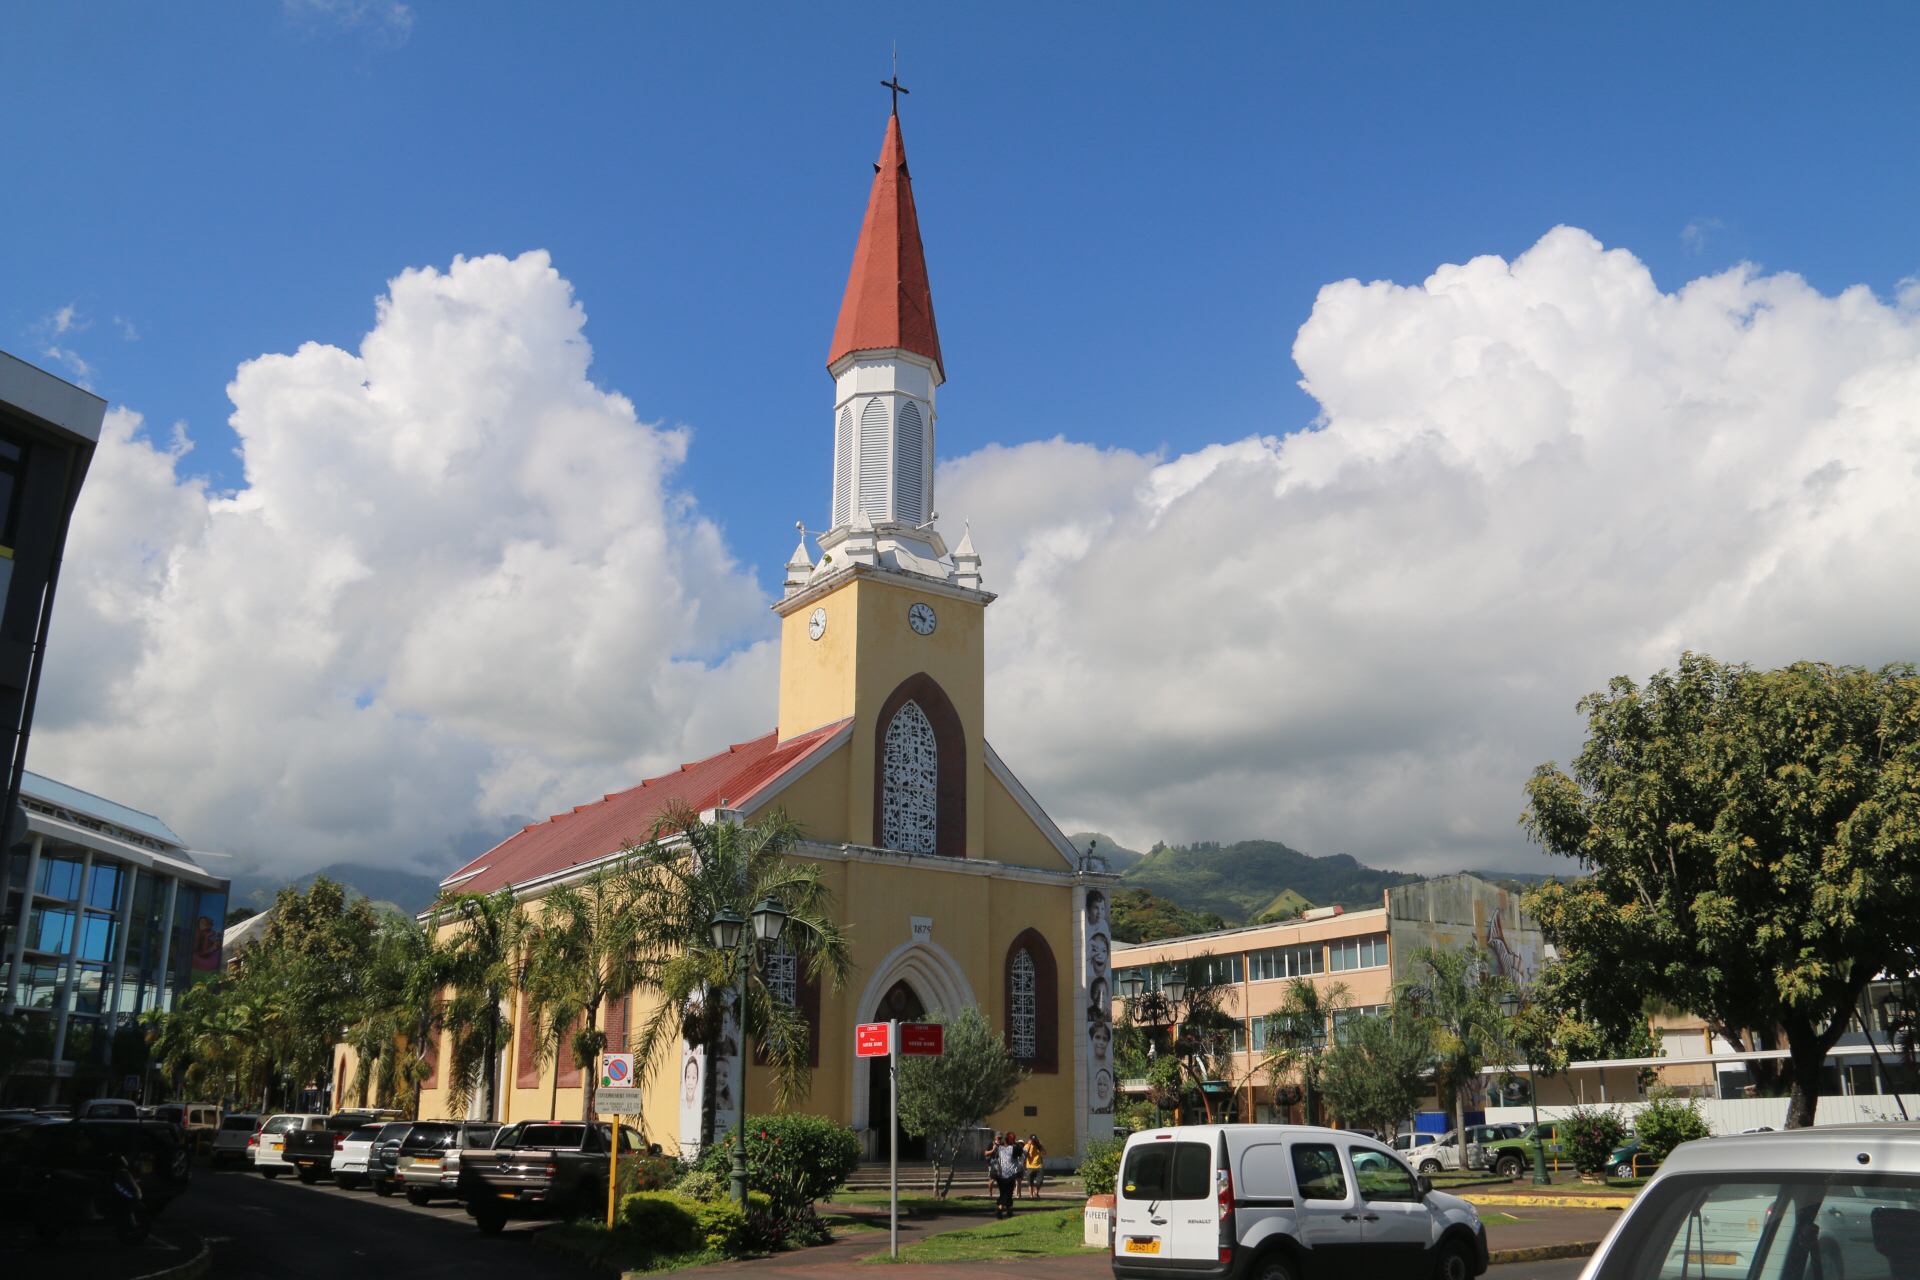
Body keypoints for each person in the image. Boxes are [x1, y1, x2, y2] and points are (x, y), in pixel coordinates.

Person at [988, 1131, 1024, 1218]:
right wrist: (1015, 1143)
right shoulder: (1014, 1149)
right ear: (1012, 1140)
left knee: (1005, 1192)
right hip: (1010, 1175)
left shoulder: (999, 1148)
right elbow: (1021, 1150)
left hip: (999, 1175)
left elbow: (993, 1156)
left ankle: (1008, 1211)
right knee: (1007, 1193)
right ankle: (999, 1210)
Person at [1024, 1134, 1046, 1199]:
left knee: (1040, 1181)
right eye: (1032, 1140)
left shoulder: (1038, 1146)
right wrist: (1029, 1145)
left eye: (1034, 1140)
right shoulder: (1027, 1146)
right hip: (1030, 1166)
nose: (1033, 1141)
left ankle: (1036, 1191)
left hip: (1039, 1166)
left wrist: (1040, 1145)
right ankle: (1031, 1195)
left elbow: (1044, 1153)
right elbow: (1024, 1154)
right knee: (1030, 1182)